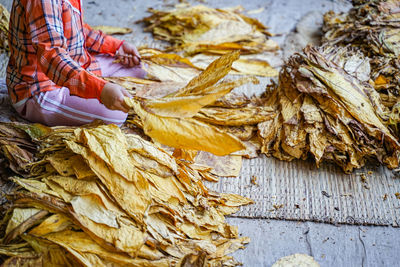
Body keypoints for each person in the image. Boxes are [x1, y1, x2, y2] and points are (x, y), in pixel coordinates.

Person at [6, 0, 146, 127]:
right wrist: (99, 89)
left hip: (73, 65)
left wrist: (116, 46)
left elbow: (77, 28)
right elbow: (52, 57)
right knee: (117, 115)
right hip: (41, 89)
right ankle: (87, 94)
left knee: (137, 69)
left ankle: (92, 91)